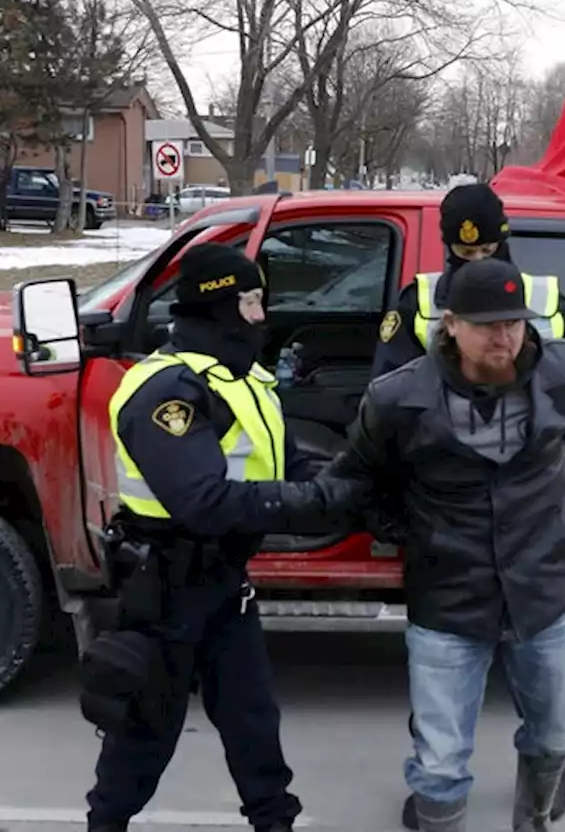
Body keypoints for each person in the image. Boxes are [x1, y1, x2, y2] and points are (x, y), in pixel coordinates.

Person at [80, 243, 368, 832]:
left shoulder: (244, 380)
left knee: (252, 720)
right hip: (166, 584)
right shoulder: (165, 390)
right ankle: (105, 825)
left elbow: (283, 462)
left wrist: (346, 489)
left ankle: (274, 822)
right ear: (221, 308)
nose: (265, 313)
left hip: (223, 582)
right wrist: (307, 505)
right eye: (254, 301)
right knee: (145, 732)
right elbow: (202, 500)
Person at [328, 255, 565, 832]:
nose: (503, 336)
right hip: (449, 599)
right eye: (487, 324)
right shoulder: (398, 397)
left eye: (513, 322)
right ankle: (437, 815)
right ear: (450, 323)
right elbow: (357, 477)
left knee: (555, 730)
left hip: (544, 592)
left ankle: (534, 810)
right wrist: (408, 531)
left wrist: (535, 499)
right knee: (438, 761)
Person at [370, 180, 565, 384]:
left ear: (502, 244)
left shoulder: (548, 301)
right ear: (450, 248)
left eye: (487, 250)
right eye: (466, 252)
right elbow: (389, 397)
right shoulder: (418, 303)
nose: (478, 261)